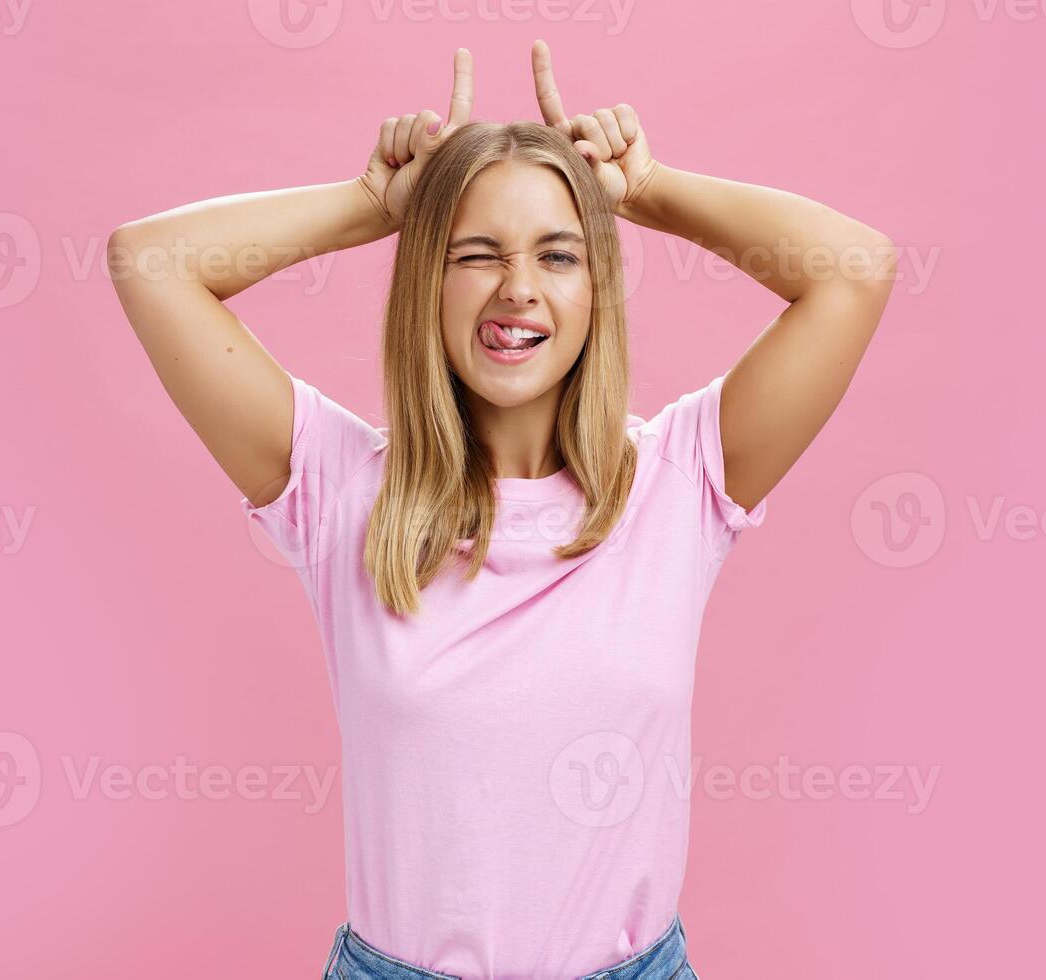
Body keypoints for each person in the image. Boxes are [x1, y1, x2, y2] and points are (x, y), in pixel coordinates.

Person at [107, 41, 896, 980]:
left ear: (596, 289)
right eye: (474, 254)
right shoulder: (342, 489)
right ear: (426, 287)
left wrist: (646, 187)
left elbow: (856, 268)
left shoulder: (677, 482)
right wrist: (371, 205)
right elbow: (148, 260)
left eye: (557, 255)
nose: (517, 287)